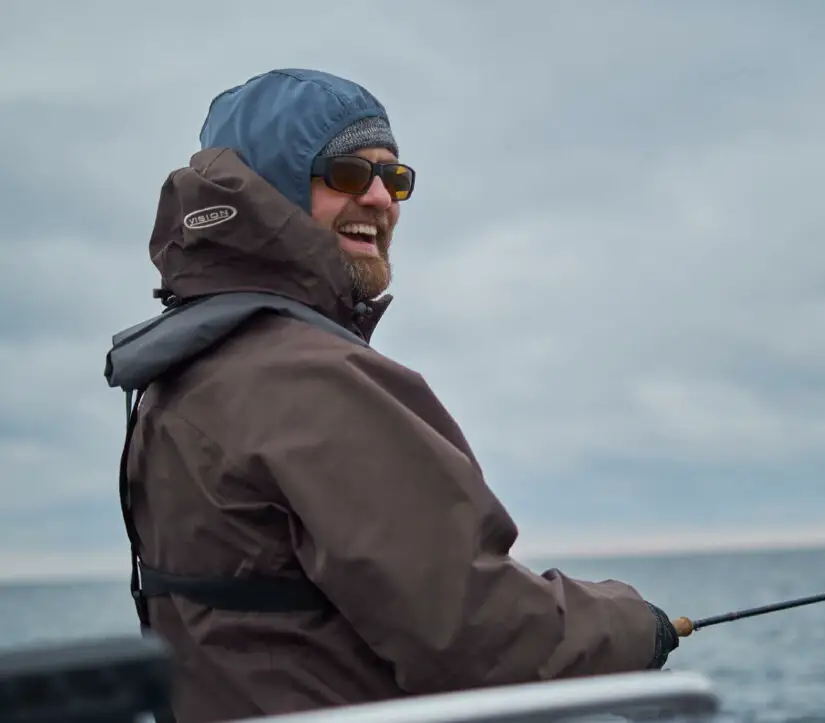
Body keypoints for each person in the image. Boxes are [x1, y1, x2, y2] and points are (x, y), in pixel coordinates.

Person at [104, 68, 679, 723]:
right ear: (269, 191)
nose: (382, 199)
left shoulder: (183, 374)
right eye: (347, 174)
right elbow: (483, 636)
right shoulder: (308, 380)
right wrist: (635, 621)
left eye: (395, 178)